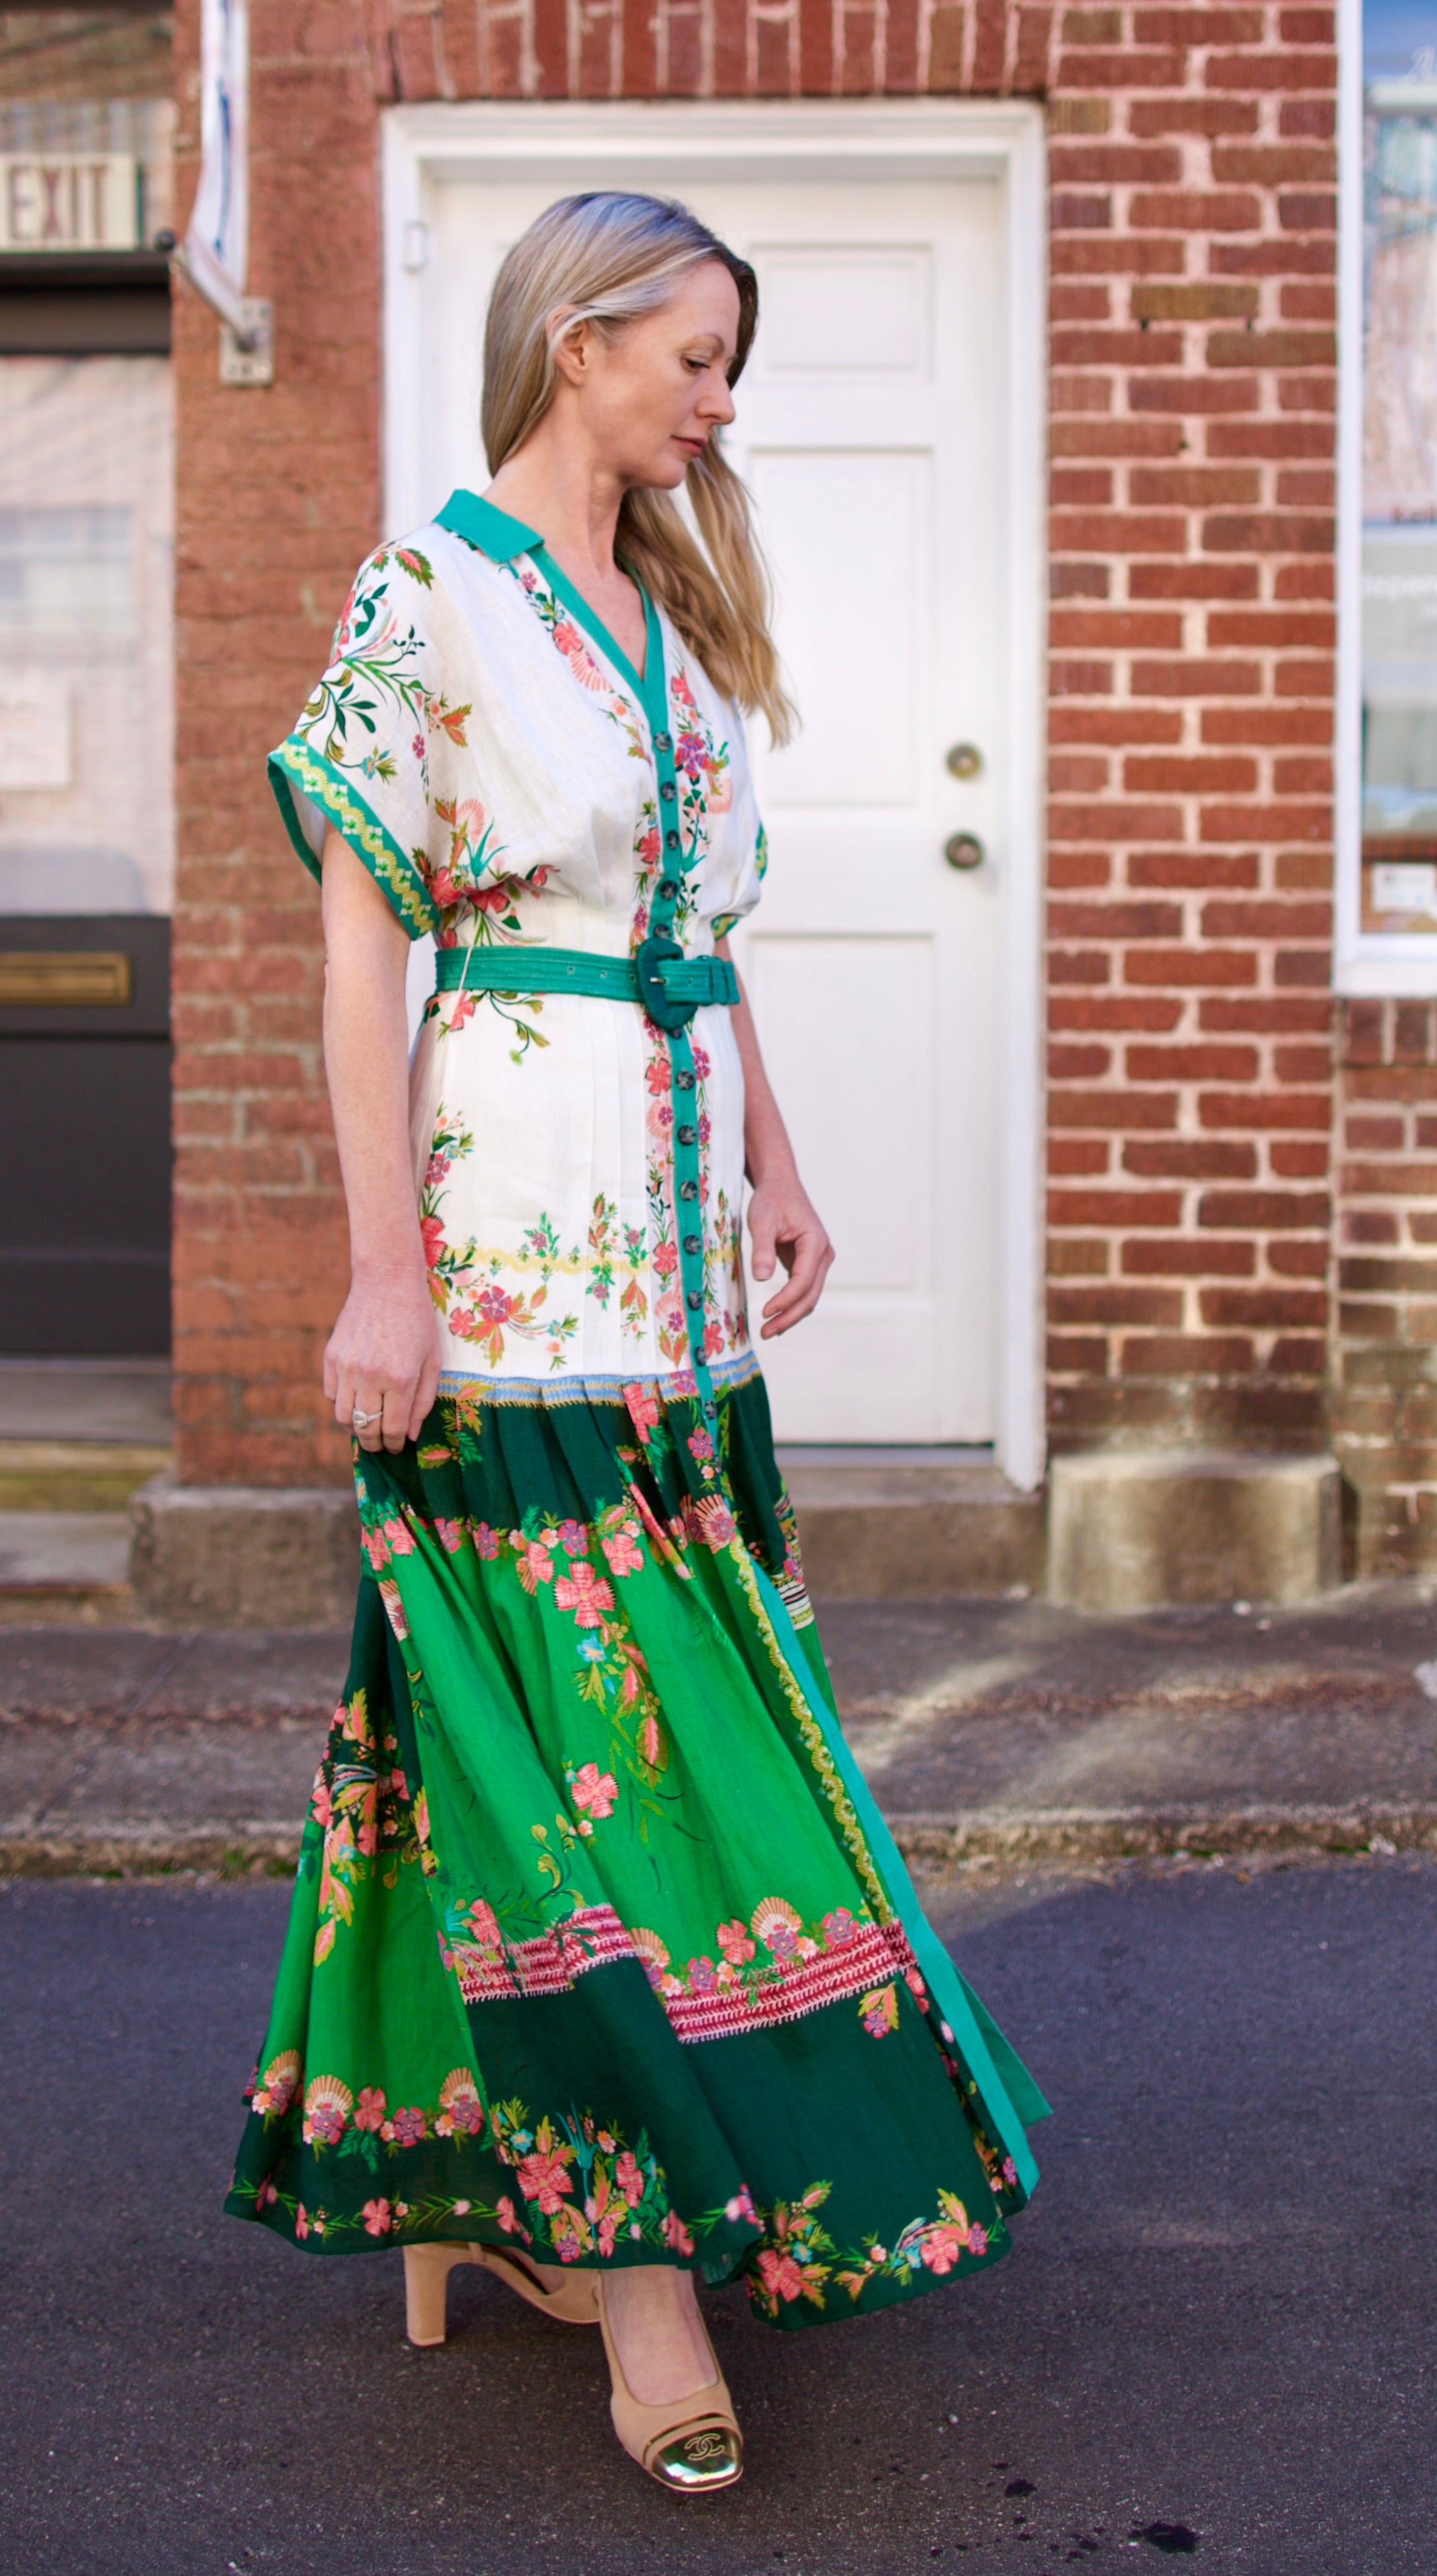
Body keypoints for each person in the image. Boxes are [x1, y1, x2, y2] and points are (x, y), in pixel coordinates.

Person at [228, 187, 1048, 2497]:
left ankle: (508, 2185)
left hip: (680, 1253)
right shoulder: (434, 597)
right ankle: (638, 2264)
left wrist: (776, 1160)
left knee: (606, 1722)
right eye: (689, 354)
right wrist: (382, 1273)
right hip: (506, 1238)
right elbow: (355, 965)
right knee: (584, 1741)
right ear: (569, 344)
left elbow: (705, 933)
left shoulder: (673, 623)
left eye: (730, 361)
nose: (718, 398)